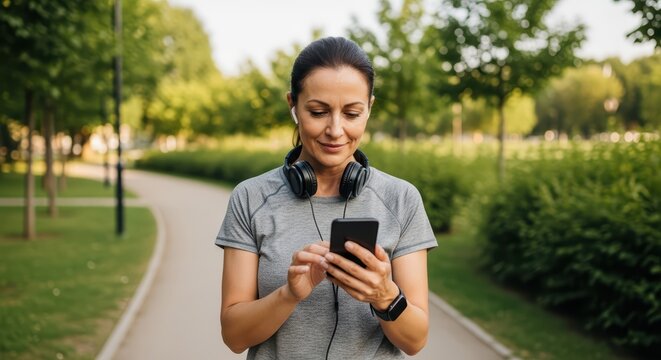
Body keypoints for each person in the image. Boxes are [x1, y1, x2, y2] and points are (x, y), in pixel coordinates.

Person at [215, 36, 437, 359]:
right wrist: (289, 294)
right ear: (293, 104)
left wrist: (385, 294)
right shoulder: (249, 199)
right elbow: (234, 336)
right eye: (318, 112)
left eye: (352, 114)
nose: (335, 130)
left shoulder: (402, 199)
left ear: (370, 108)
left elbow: (415, 341)